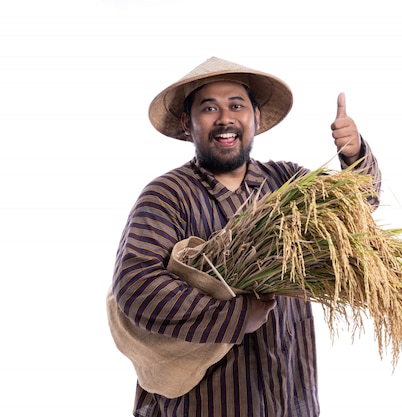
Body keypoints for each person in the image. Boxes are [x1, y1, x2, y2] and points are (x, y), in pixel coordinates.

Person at [110, 56, 381, 417]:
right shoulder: (167, 195)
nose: (225, 117)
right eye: (209, 108)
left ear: (254, 117)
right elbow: (137, 286)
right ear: (186, 124)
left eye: (236, 105)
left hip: (291, 396)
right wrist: (237, 315)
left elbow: (356, 208)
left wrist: (354, 154)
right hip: (203, 405)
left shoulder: (286, 182)